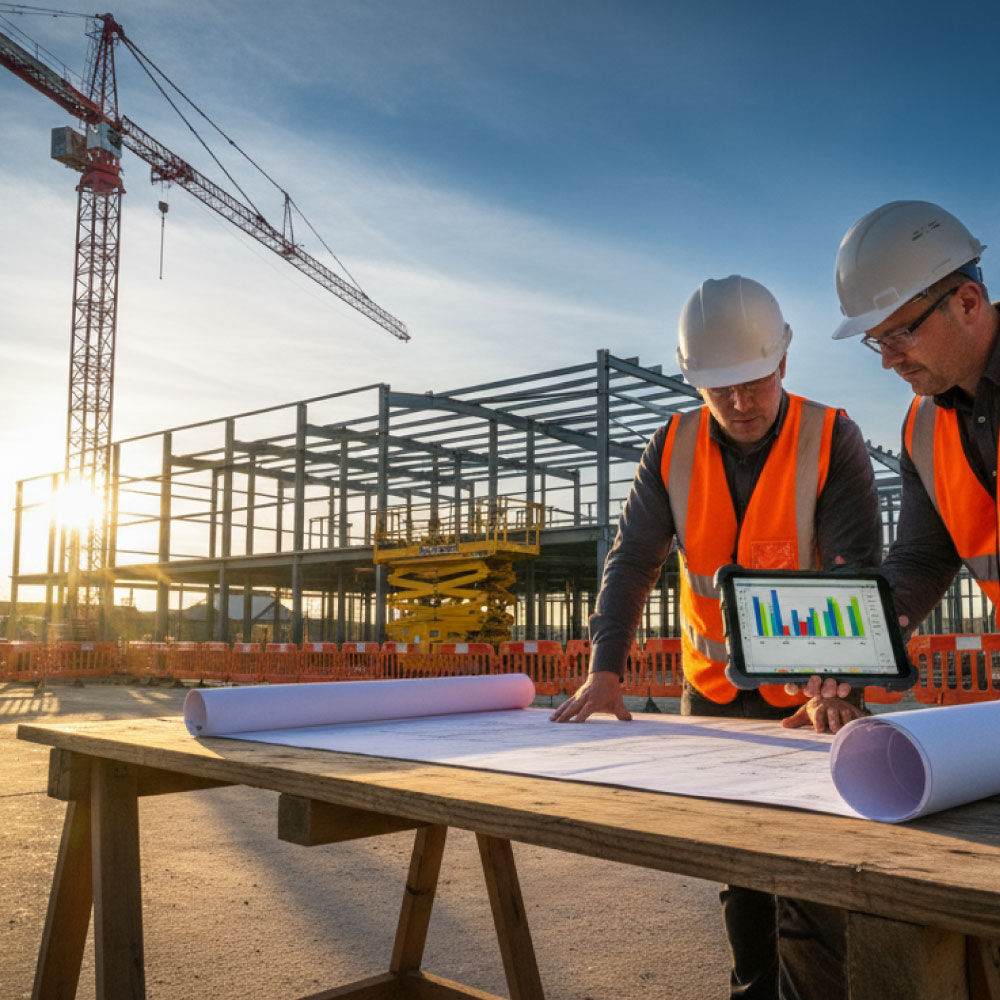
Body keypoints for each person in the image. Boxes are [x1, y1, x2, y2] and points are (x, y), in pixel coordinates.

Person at [550, 275, 882, 1000]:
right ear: (695, 380)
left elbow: (854, 570)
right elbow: (632, 560)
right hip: (713, 692)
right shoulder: (670, 447)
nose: (740, 403)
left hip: (808, 699)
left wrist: (843, 689)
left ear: (783, 365)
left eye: (754, 382)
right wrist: (605, 669)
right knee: (740, 882)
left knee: (815, 883)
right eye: (721, 387)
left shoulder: (832, 438)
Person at [826, 200, 998, 640]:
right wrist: (857, 655)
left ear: (967, 302)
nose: (887, 361)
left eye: (901, 334)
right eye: (876, 341)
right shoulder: (924, 428)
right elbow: (922, 558)